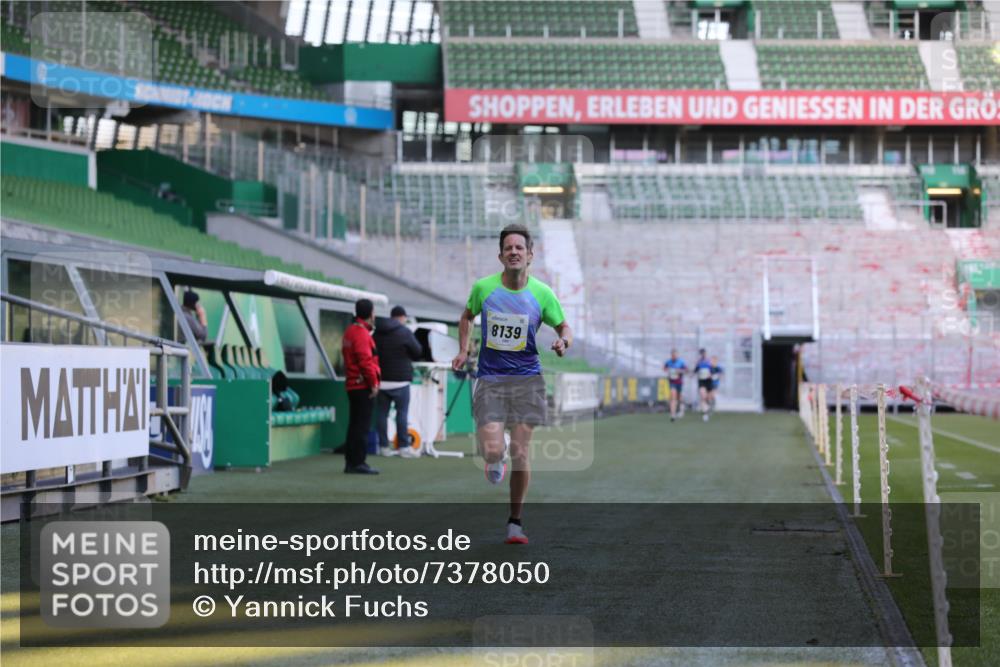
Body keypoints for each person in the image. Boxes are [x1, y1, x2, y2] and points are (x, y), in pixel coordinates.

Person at [452, 223, 572, 545]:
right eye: (509, 248)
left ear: (530, 255)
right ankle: (497, 453)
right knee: (492, 451)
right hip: (491, 379)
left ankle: (515, 523)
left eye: (520, 248)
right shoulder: (484, 288)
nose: (514, 252)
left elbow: (564, 327)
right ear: (501, 256)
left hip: (527, 380)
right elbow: (466, 317)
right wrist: (463, 350)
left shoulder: (542, 293)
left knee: (521, 452)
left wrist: (563, 342)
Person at [373, 305, 423, 459]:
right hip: (401, 381)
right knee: (402, 414)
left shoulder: (377, 332)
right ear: (402, 317)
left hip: (381, 380)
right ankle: (403, 448)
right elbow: (417, 351)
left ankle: (383, 447)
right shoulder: (405, 332)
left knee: (381, 414)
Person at [342, 298, 381, 475]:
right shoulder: (361, 334)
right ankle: (358, 462)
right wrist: (373, 384)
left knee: (355, 425)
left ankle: (351, 462)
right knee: (361, 426)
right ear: (370, 314)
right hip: (362, 385)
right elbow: (365, 362)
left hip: (353, 384)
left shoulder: (350, 331)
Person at [663, 349, 687, 422]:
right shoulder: (668, 362)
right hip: (672, 382)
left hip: (679, 383)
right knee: (673, 396)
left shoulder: (681, 362)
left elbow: (686, 370)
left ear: (677, 355)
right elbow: (664, 368)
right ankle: (673, 415)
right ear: (671, 355)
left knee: (680, 397)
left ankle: (681, 410)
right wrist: (668, 370)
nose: (674, 356)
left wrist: (679, 371)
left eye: (675, 355)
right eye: (673, 355)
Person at [694, 348, 713, 422]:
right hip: (701, 381)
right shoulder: (699, 362)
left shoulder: (709, 362)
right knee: (703, 396)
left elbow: (713, 370)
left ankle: (708, 406)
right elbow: (695, 370)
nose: (703, 355)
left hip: (708, 381)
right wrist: (692, 373)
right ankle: (705, 414)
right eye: (702, 353)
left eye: (704, 353)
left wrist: (711, 374)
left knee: (708, 398)